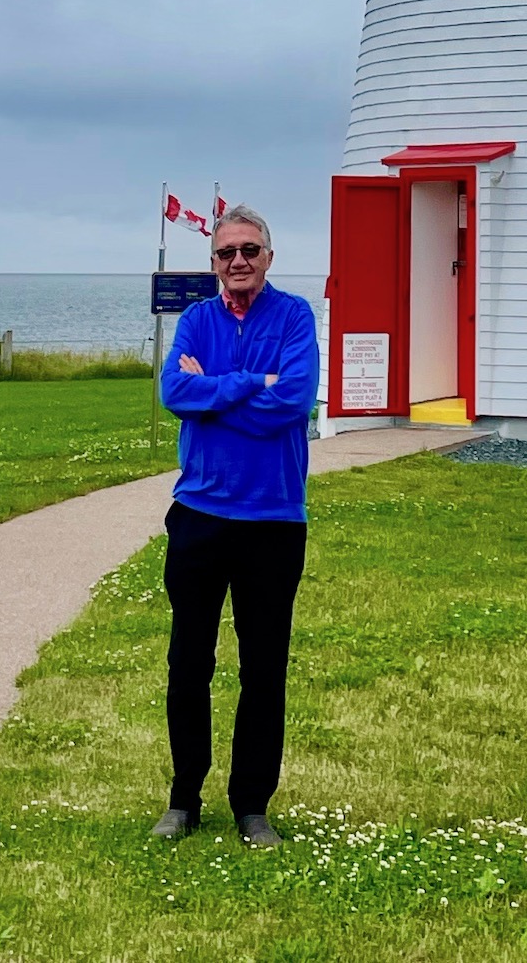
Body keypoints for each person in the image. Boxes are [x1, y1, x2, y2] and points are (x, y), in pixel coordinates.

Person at [153, 203, 319, 849]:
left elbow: (292, 403)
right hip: (198, 515)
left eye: (249, 250)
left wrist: (217, 395)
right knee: (188, 664)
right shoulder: (196, 320)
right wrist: (253, 383)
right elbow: (175, 394)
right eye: (226, 253)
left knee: (263, 669)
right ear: (213, 262)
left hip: (273, 521)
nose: (238, 262)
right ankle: (183, 798)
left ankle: (252, 805)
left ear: (268, 257)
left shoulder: (295, 316)